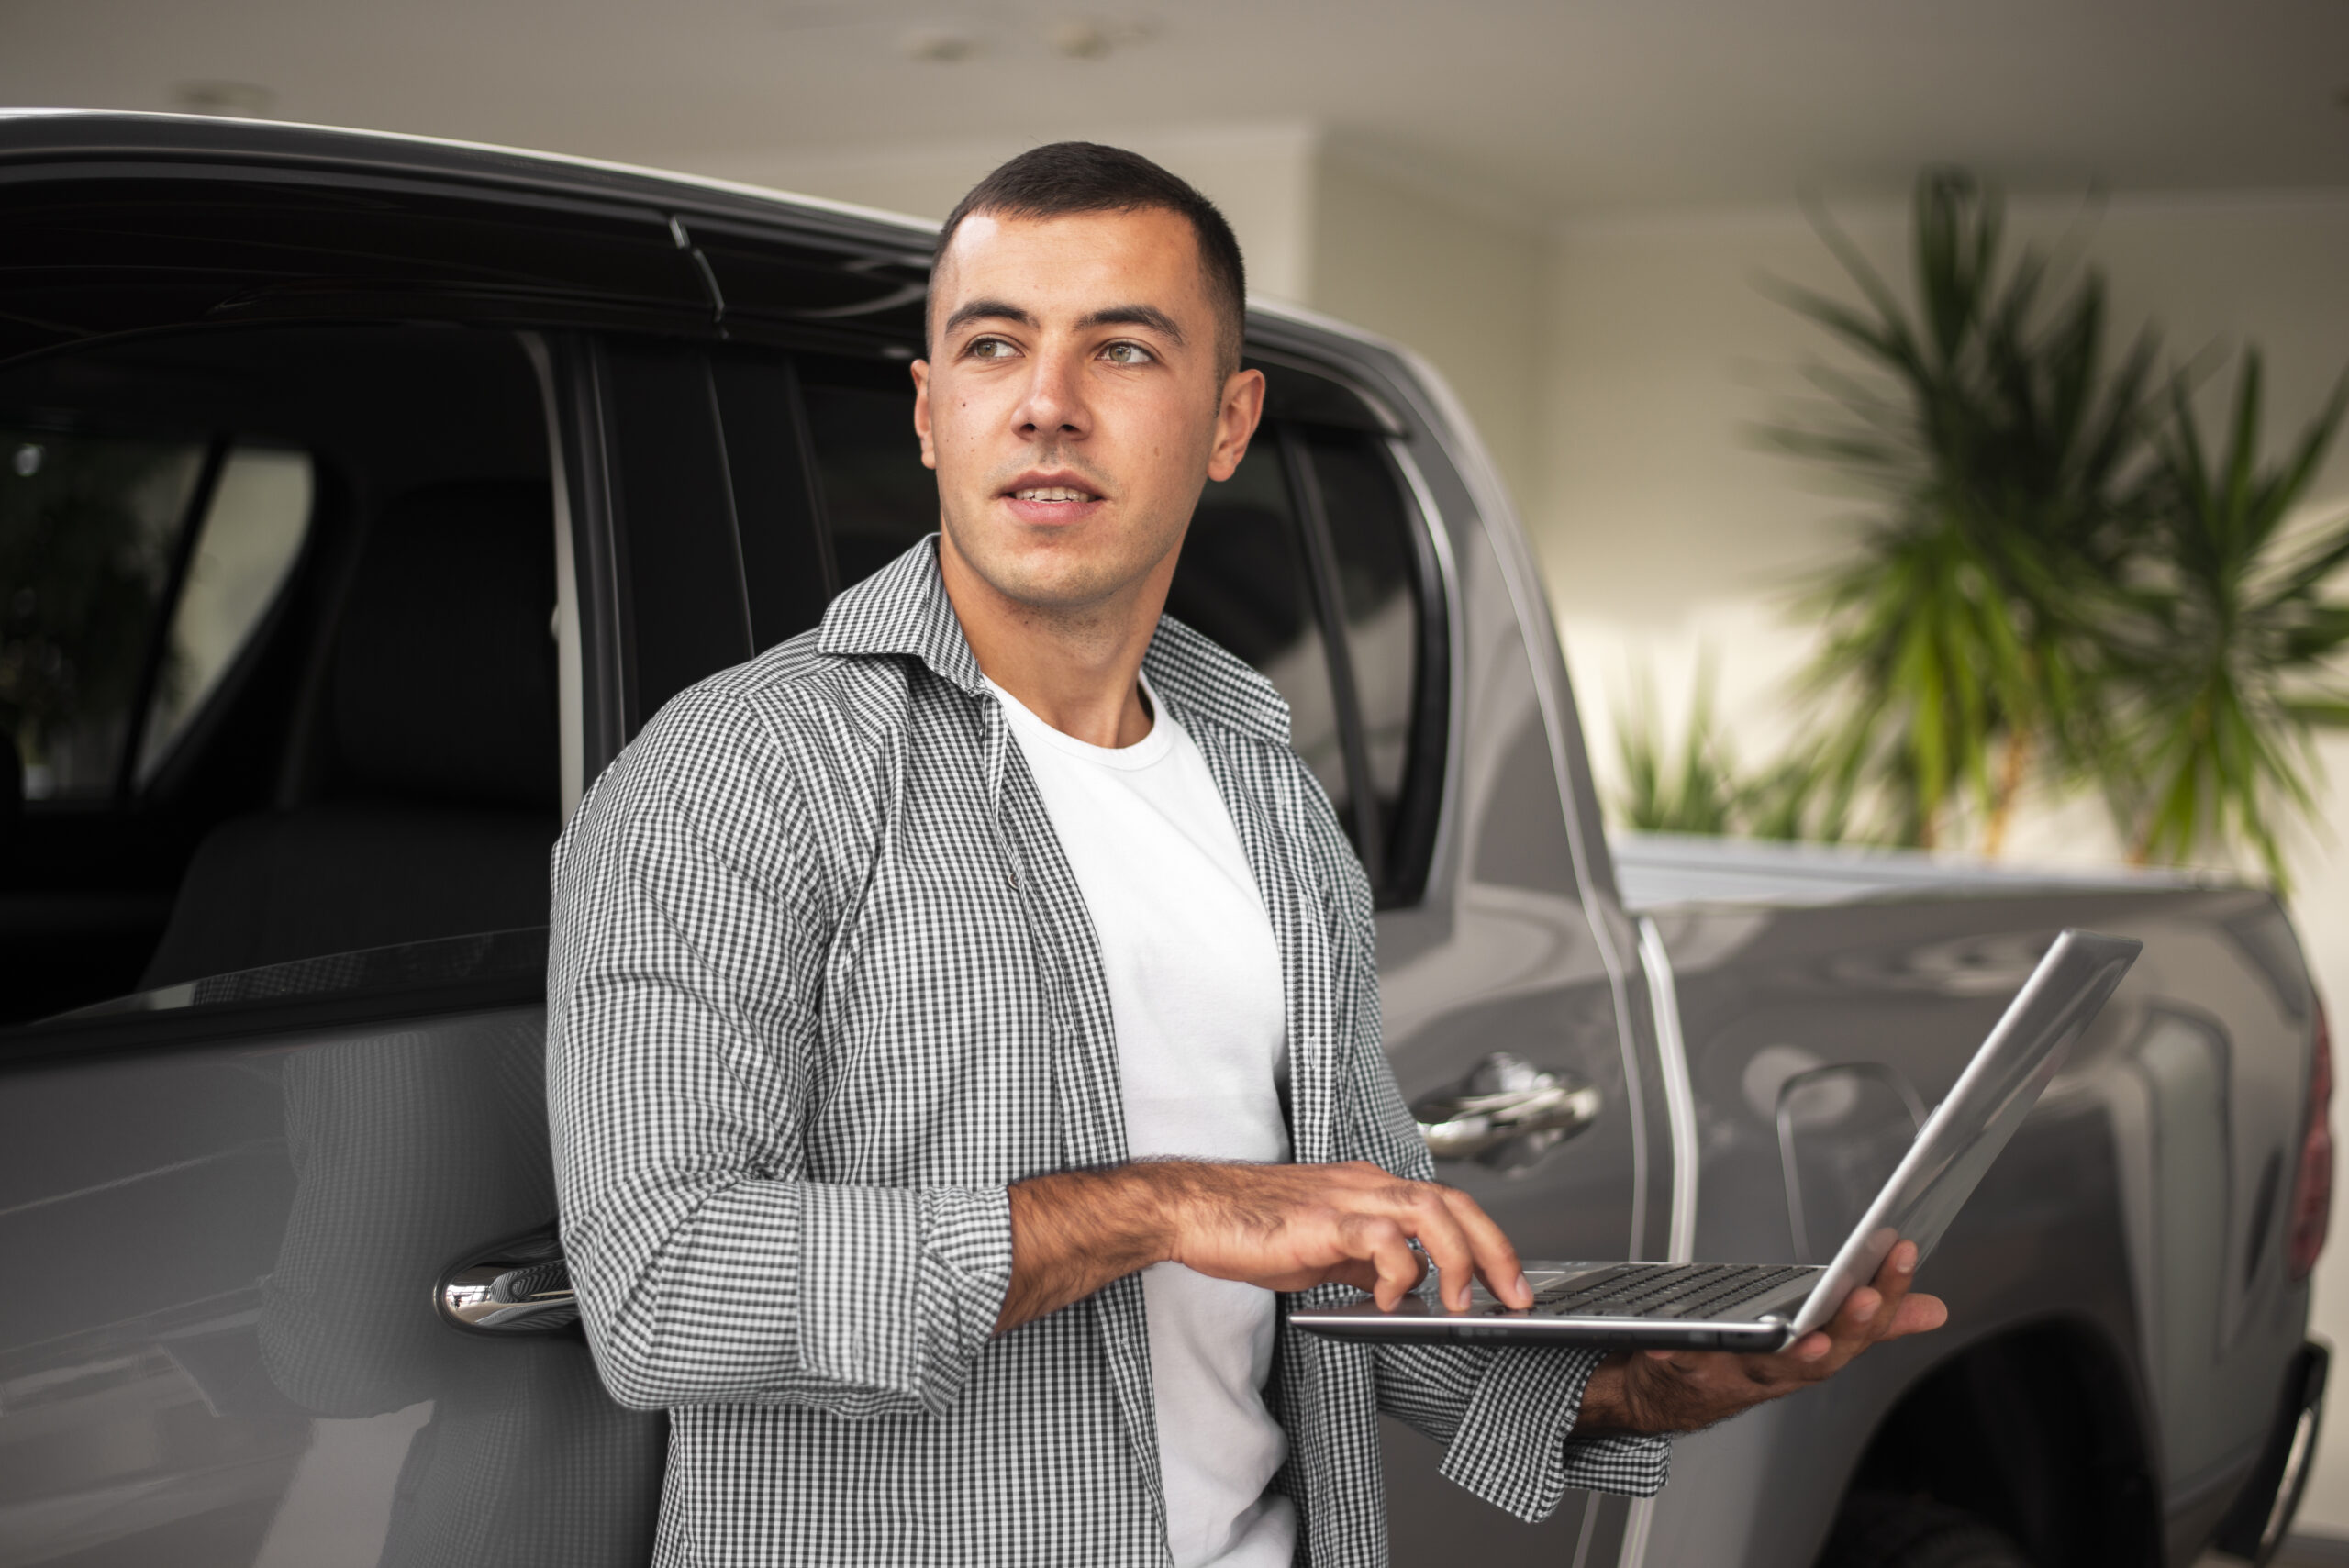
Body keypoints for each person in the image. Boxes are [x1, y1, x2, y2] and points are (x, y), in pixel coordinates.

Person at [547, 141, 1945, 1568]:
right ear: (928, 409)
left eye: (1124, 350)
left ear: (1228, 420)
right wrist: (1164, 1206)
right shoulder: (736, 771)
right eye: (992, 346)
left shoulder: (1264, 788)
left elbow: (1343, 1276)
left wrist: (1630, 1384)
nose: (1045, 405)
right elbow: (663, 1289)